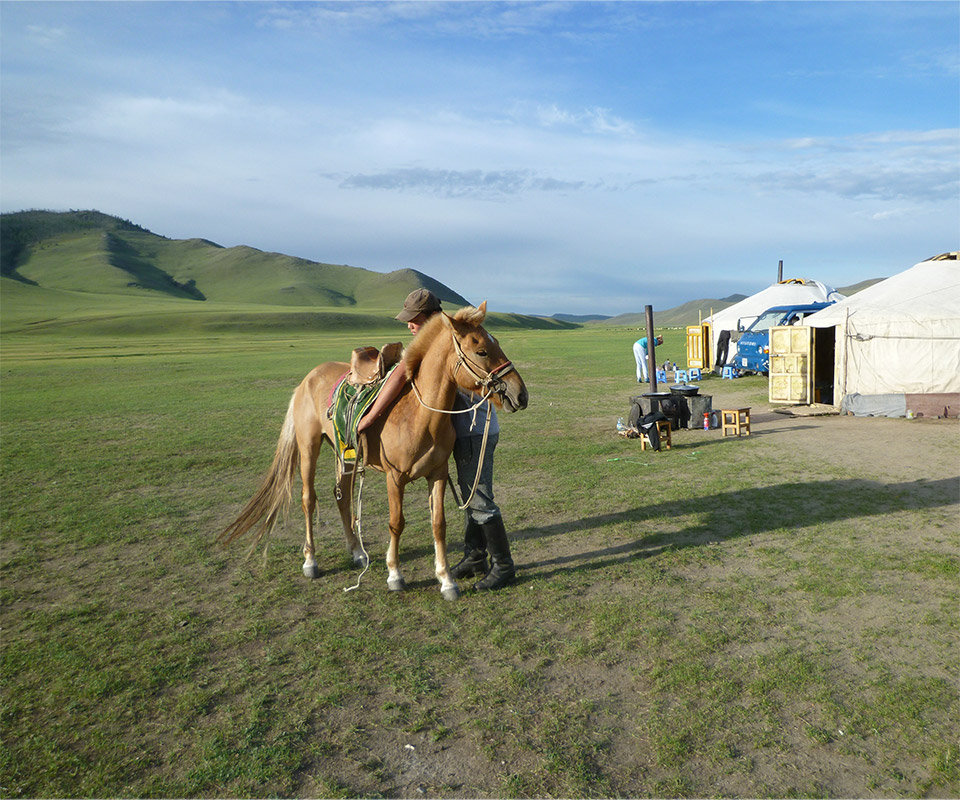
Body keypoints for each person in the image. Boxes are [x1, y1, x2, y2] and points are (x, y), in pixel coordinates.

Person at [358, 289, 515, 590]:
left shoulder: (457, 340)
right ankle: (475, 556)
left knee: (479, 501)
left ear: (432, 318)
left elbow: (404, 376)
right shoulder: (448, 338)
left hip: (474, 431)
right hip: (458, 431)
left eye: (415, 320)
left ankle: (504, 566)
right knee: (470, 498)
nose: (409, 326)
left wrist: (371, 417)